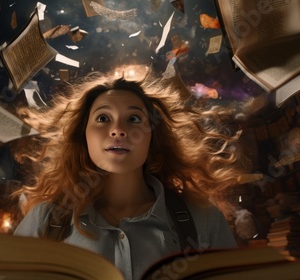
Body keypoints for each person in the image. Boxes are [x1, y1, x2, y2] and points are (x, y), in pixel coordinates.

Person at [13, 67, 243, 280]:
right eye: (103, 118)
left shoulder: (203, 220)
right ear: (84, 135)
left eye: (134, 119)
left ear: (152, 135)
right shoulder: (45, 221)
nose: (118, 131)